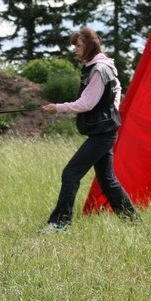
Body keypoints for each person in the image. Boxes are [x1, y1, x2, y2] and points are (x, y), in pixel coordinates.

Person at [40, 27, 138, 233]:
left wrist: (58, 108)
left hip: (103, 133)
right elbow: (117, 90)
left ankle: (60, 224)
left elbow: (86, 103)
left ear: (89, 46)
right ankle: (134, 224)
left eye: (78, 45)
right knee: (108, 181)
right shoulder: (103, 67)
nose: (75, 49)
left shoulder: (99, 70)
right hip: (105, 130)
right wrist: (112, 111)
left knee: (70, 174)